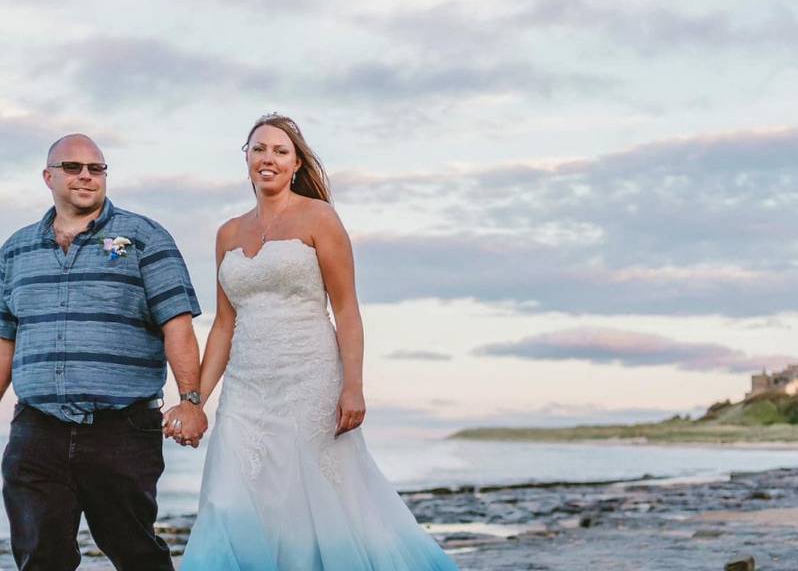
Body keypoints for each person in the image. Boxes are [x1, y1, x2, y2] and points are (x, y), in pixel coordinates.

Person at [179, 113, 459, 569]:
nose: (268, 157)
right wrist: (194, 400)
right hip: (246, 390)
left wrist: (353, 386)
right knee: (228, 501)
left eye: (280, 151)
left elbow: (346, 309)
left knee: (324, 504)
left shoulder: (319, 218)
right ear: (246, 159)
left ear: (295, 165)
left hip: (311, 381)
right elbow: (224, 325)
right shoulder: (228, 233)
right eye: (259, 149)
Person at [0, 134, 206, 570]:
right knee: (40, 557)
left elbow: (178, 326)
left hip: (122, 429)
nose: (86, 177)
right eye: (73, 167)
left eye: (96, 169)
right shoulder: (16, 250)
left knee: (135, 553)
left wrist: (190, 400)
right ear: (48, 176)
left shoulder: (145, 237)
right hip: (36, 431)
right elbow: (5, 339)